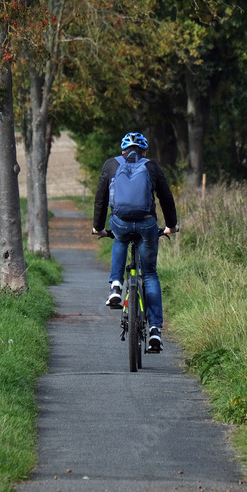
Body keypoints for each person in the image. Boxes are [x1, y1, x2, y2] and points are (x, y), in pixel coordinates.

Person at [92, 132, 178, 352]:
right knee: (149, 274)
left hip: (120, 222)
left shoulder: (111, 165)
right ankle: (155, 331)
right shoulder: (152, 166)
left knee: (120, 239)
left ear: (123, 150)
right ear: (144, 151)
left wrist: (98, 227)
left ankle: (115, 286)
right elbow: (166, 197)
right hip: (147, 224)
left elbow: (101, 198)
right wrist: (171, 225)